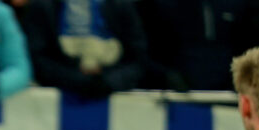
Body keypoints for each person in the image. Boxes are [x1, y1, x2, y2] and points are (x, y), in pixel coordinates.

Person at [20, 0, 160, 98]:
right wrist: (75, 80)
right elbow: (37, 58)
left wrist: (108, 82)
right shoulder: (45, 6)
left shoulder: (120, 5)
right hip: (53, 102)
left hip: (118, 102)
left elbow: (138, 59)